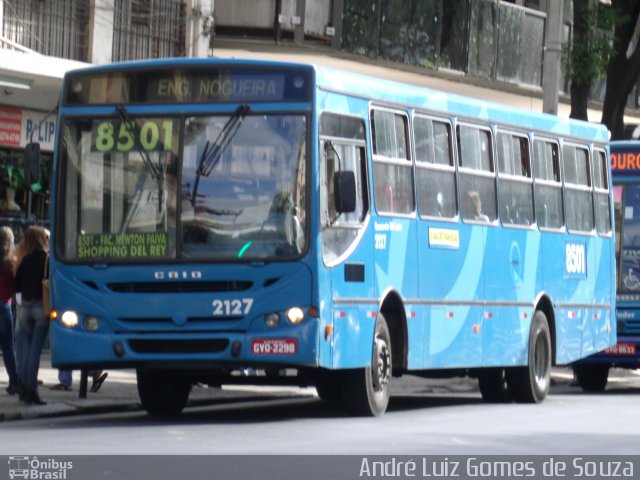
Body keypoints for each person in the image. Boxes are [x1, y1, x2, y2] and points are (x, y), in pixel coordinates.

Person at [14, 226, 49, 405]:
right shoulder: (45, 259)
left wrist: (22, 302)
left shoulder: (24, 259)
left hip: (25, 307)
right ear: (41, 239)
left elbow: (17, 284)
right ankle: (31, 390)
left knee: (27, 350)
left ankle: (24, 389)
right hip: (40, 308)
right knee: (35, 351)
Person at [0, 226, 20, 395]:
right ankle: (14, 381)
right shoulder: (12, 260)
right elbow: (16, 284)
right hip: (4, 304)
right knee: (8, 346)